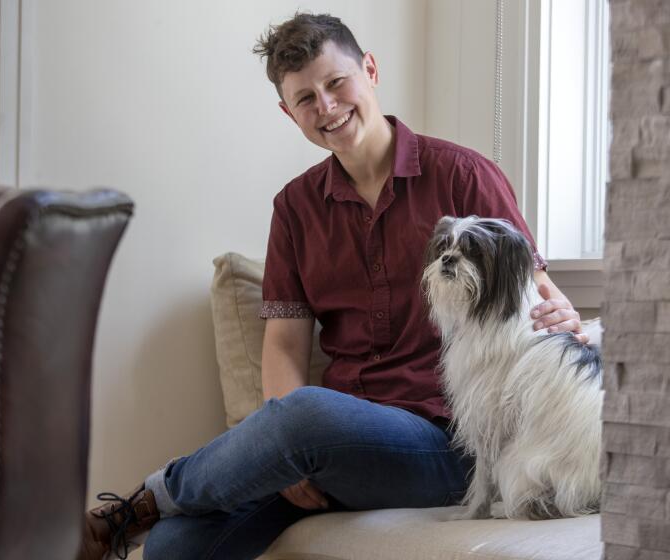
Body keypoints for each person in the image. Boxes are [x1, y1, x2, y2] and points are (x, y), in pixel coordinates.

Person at [77, 12, 589, 560]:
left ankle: (138, 505)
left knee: (304, 416)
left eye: (336, 83)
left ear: (369, 70)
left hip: (449, 442)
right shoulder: (295, 208)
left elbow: (536, 295)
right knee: (176, 547)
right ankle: (170, 509)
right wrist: (282, 449)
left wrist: (564, 316)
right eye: (304, 98)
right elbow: (283, 345)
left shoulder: (463, 175)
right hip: (330, 444)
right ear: (287, 111)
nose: (325, 106)